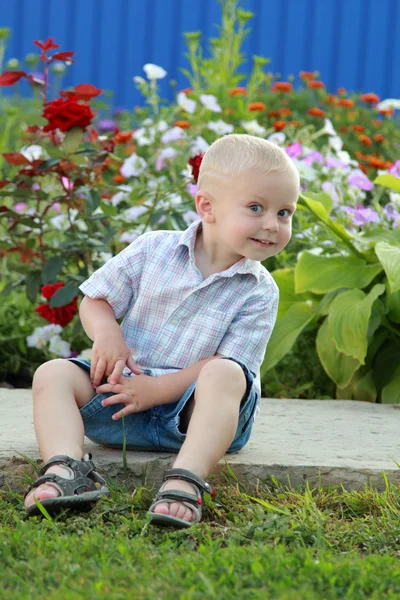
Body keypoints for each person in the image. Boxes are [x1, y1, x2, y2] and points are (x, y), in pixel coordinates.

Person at [24, 133, 300, 527]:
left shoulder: (259, 291)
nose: (272, 224)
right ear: (207, 206)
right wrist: (108, 335)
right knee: (53, 373)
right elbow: (96, 300)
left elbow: (230, 363)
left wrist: (158, 390)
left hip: (195, 415)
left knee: (226, 373)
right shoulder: (153, 249)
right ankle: (67, 469)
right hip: (123, 399)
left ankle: (185, 479)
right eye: (256, 207)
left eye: (285, 213)